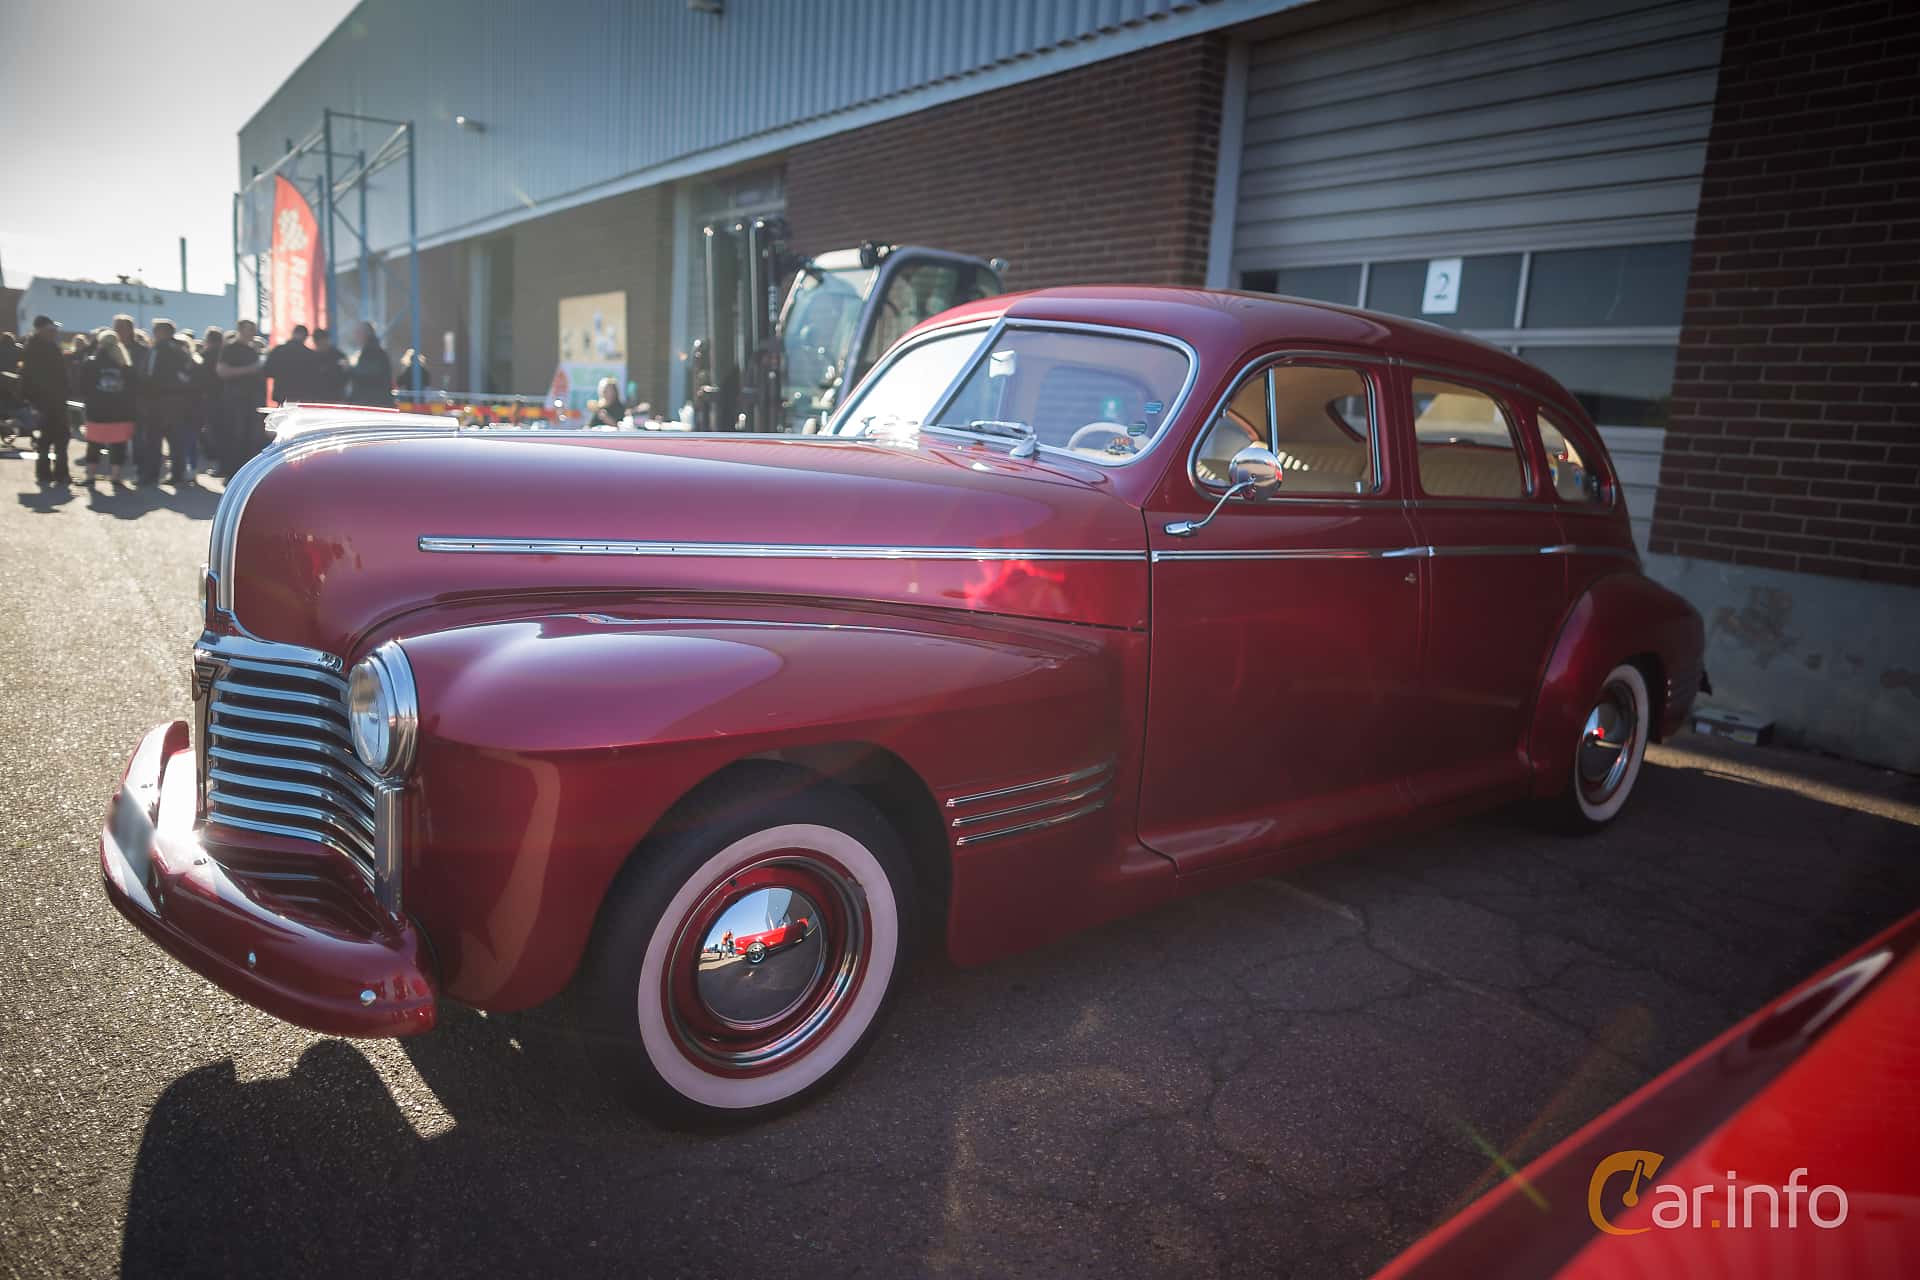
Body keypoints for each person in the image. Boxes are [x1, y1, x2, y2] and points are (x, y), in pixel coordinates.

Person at [135, 319, 200, 485]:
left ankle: (151, 475)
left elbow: (147, 375)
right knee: (176, 440)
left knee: (153, 440)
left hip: (157, 401)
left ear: (161, 332)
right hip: (178, 402)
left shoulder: (158, 349)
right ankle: (178, 475)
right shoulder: (182, 350)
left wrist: (145, 397)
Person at [81, 331, 138, 488]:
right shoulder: (125, 366)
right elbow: (133, 389)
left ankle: (90, 476)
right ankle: (115, 477)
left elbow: (83, 387)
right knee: (118, 445)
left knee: (93, 444)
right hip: (120, 412)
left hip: (96, 411)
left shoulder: (91, 363)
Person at [21, 316, 72, 486]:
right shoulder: (36, 348)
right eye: (51, 329)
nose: (54, 332)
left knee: (56, 438)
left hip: (55, 400)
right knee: (51, 438)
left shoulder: (46, 346)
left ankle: (55, 473)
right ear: (41, 329)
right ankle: (52, 473)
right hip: (45, 401)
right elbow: (29, 378)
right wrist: (33, 401)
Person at [214, 319, 267, 473]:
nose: (253, 333)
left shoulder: (253, 350)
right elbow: (222, 371)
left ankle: (247, 470)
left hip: (253, 401)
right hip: (235, 400)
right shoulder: (230, 349)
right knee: (235, 436)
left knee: (251, 437)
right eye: (249, 329)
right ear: (240, 330)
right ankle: (231, 471)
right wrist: (249, 369)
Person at [263, 324, 315, 406]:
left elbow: (267, 372)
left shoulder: (278, 350)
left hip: (282, 394)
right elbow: (314, 378)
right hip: (302, 395)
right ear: (306, 337)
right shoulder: (310, 355)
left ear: (293, 334)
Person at [345, 323, 393, 407]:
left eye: (358, 333)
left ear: (366, 334)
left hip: (372, 402)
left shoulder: (372, 352)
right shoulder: (370, 351)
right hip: (373, 401)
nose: (356, 336)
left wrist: (350, 369)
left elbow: (369, 375)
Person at [311, 328, 349, 401]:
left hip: (334, 396)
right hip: (318, 397)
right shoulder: (312, 357)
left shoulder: (338, 356)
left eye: (321, 340)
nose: (319, 343)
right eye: (317, 341)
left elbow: (345, 375)